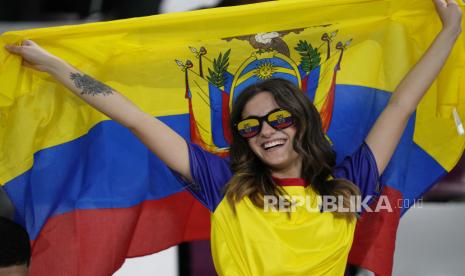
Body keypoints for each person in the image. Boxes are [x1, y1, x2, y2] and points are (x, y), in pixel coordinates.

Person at [5, 0, 462, 274]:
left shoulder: (348, 188)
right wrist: (57, 67)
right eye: (250, 125)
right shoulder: (224, 185)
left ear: (302, 120)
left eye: (278, 118)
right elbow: (138, 120)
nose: (266, 131)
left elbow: (401, 104)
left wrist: (449, 33)